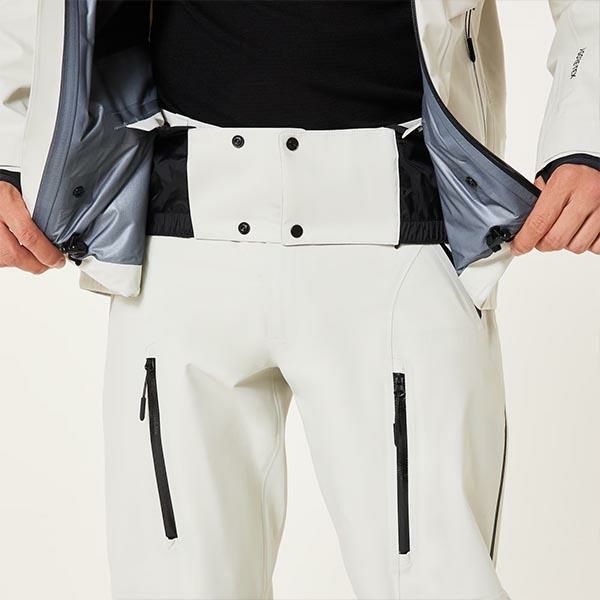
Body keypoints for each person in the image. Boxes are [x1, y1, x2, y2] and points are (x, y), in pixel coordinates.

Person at [0, 2, 598, 599]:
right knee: (170, 584)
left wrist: (587, 135)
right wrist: (7, 140)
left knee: (438, 581)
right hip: (178, 228)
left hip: (402, 221)